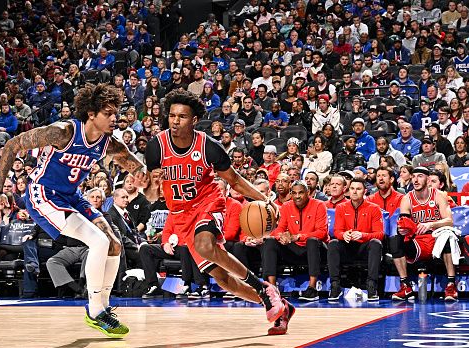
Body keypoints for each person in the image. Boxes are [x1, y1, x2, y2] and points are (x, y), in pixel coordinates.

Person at [0, 83, 145, 338]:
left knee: (114, 243)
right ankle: (95, 311)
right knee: (97, 241)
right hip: (43, 193)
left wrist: (157, 182)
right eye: (108, 113)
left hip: (71, 196)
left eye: (116, 112)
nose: (115, 118)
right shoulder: (62, 132)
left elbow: (139, 171)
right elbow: (11, 146)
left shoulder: (110, 144)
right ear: (91, 114)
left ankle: (102, 309)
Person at [141, 89, 293, 334]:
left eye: (181, 116)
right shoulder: (155, 147)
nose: (175, 121)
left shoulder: (208, 147)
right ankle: (279, 305)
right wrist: (150, 186)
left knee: (204, 244)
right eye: (171, 116)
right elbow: (150, 196)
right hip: (180, 215)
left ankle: (263, 287)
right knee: (223, 280)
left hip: (208, 203)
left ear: (193, 120)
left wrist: (266, 199)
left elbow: (235, 181)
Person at [391, 167, 458, 301]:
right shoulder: (407, 198)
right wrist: (404, 229)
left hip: (436, 237)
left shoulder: (439, 195)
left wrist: (430, 224)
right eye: (414, 176)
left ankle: (451, 285)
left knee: (447, 235)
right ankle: (405, 286)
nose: (415, 179)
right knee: (394, 240)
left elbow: (449, 221)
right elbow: (404, 222)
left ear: (427, 180)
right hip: (418, 240)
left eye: (420, 176)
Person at [266, 181, 329, 301]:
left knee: (312, 241)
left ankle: (312, 288)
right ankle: (272, 288)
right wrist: (281, 237)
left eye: (301, 193)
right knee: (270, 241)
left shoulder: (319, 205)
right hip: (294, 249)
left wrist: (298, 236)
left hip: (317, 250)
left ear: (308, 193)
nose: (297, 196)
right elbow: (278, 230)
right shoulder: (286, 206)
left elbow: (322, 233)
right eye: (294, 193)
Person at [327, 178, 385, 302]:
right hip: (347, 247)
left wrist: (363, 235)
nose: (354, 192)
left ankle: (371, 285)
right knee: (333, 243)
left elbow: (380, 234)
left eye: (358, 189)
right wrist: (344, 235)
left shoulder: (374, 208)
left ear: (365, 191)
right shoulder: (341, 207)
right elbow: (337, 231)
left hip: (365, 248)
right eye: (352, 188)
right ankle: (335, 286)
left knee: (376, 243)